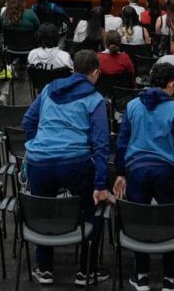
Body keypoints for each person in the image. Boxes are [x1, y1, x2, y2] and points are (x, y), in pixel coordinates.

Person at [22, 50, 111, 286]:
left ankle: (44, 268)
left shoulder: (50, 89)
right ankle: (87, 270)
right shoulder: (95, 99)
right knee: (92, 209)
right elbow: (102, 144)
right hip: (76, 163)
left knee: (43, 209)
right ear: (95, 73)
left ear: (73, 69)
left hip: (39, 162)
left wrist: (37, 143)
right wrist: (101, 184)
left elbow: (28, 121)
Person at [114, 63, 174, 291]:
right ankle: (170, 278)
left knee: (139, 219)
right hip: (166, 172)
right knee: (169, 219)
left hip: (136, 171)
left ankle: (141, 275)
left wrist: (120, 173)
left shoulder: (132, 106)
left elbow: (121, 143)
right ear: (171, 85)